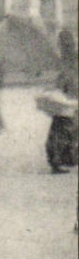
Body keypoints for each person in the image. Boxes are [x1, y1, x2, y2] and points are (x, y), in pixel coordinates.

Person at [44, 28, 76, 174]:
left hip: (67, 97)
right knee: (64, 129)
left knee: (62, 129)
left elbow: (65, 76)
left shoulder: (68, 57)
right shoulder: (69, 57)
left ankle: (61, 159)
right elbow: (65, 77)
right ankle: (60, 160)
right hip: (68, 98)